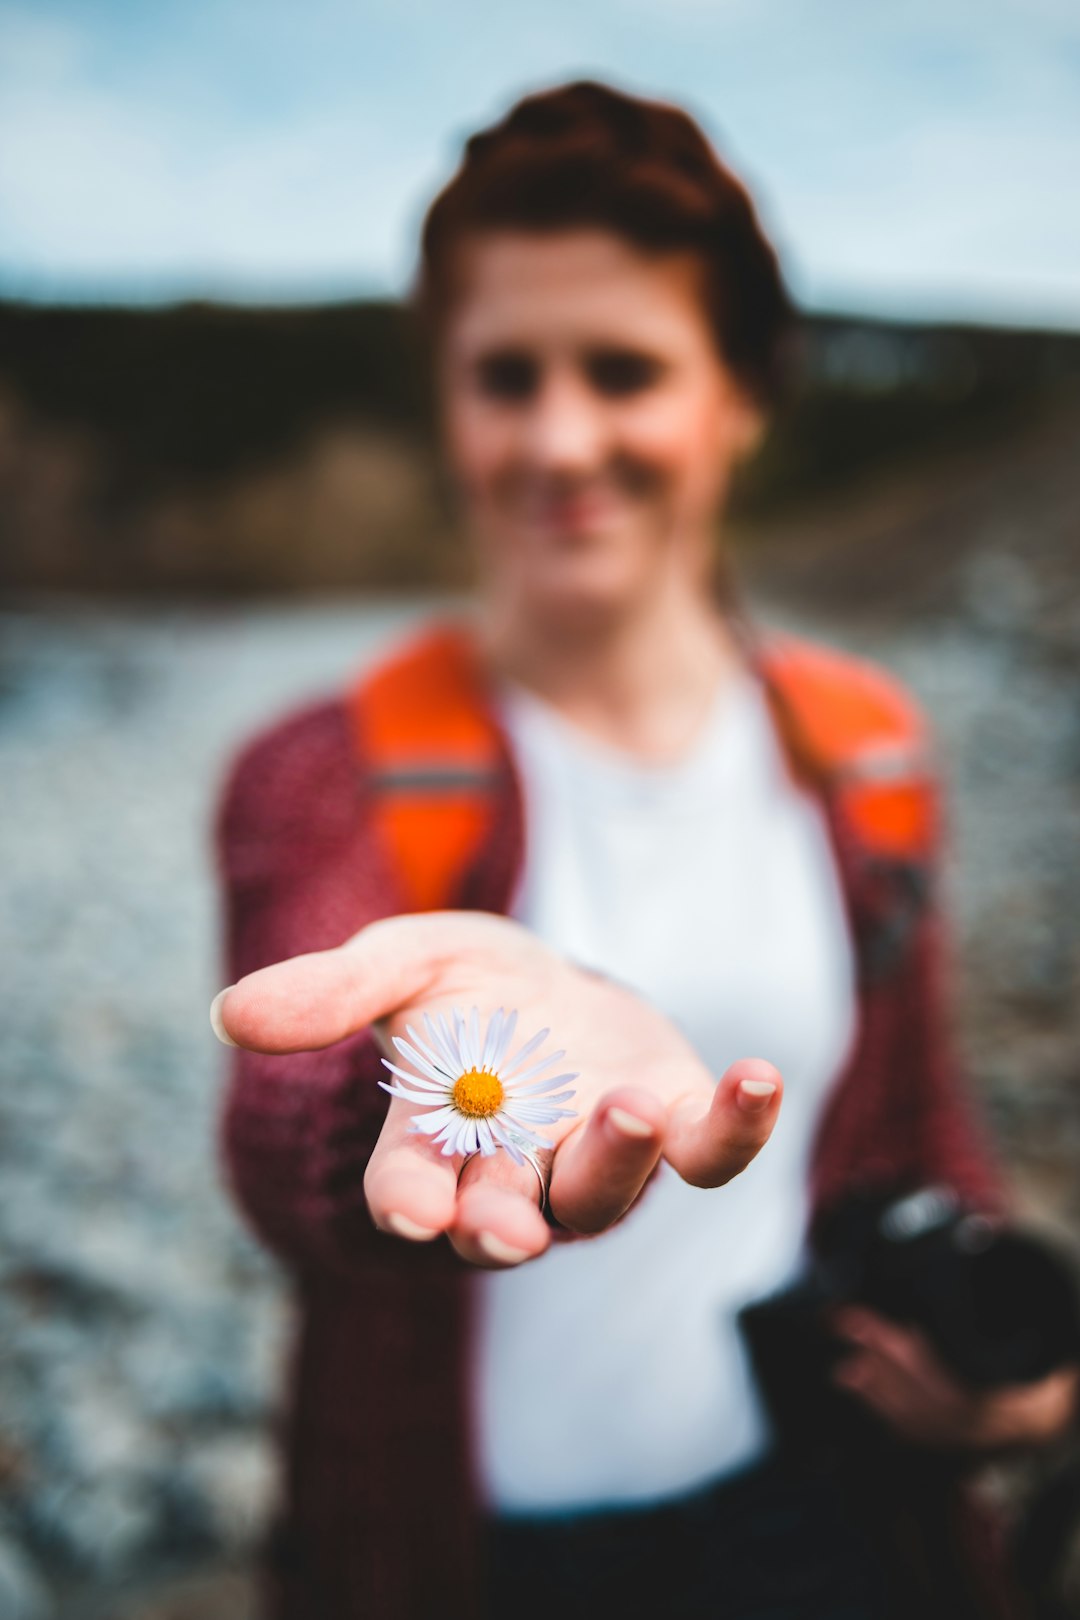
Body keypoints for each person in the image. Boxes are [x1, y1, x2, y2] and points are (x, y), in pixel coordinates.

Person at [208, 79, 1078, 1620]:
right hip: (465, 1554)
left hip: (817, 1514)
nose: (561, 438)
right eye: (505, 377)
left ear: (738, 398)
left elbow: (915, 1125)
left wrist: (1020, 1377)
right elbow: (283, 1120)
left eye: (623, 371)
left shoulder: (864, 752)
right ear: (447, 404)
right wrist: (395, 1080)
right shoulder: (324, 771)